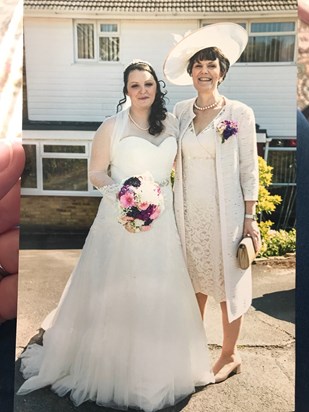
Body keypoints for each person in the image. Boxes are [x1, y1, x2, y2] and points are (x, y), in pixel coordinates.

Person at [17, 61, 214, 411]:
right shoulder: (112, 126)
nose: (142, 91)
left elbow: (177, 170)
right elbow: (96, 173)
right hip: (120, 221)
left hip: (162, 224)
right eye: (135, 85)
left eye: (148, 84)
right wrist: (127, 197)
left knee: (159, 293)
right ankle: (109, 368)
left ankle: (159, 369)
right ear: (126, 90)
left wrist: (160, 201)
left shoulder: (171, 124)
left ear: (157, 88)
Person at [163, 23, 261, 383]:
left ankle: (230, 355)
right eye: (198, 65)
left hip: (228, 213)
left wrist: (250, 217)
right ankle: (193, 351)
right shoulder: (180, 111)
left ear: (222, 72)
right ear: (190, 73)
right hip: (188, 212)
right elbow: (167, 156)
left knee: (227, 285)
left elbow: (249, 169)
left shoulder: (239, 113)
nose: (204, 71)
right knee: (194, 285)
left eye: (211, 65)